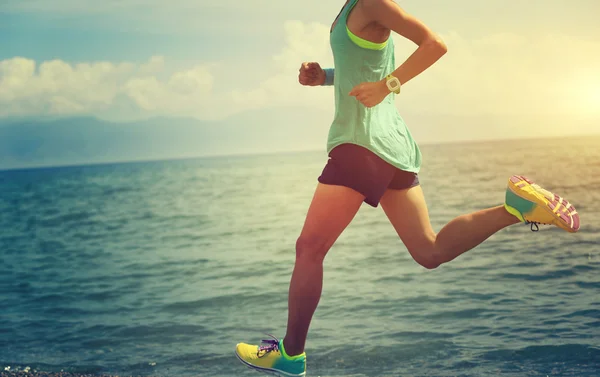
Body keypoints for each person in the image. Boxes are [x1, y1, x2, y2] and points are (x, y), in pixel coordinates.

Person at [234, 0, 580, 375]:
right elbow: (365, 66)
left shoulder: (372, 2)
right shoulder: (355, 6)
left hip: (360, 144)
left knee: (309, 248)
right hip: (391, 146)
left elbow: (434, 44)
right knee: (429, 251)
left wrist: (388, 86)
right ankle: (515, 207)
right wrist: (325, 77)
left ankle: (291, 355)